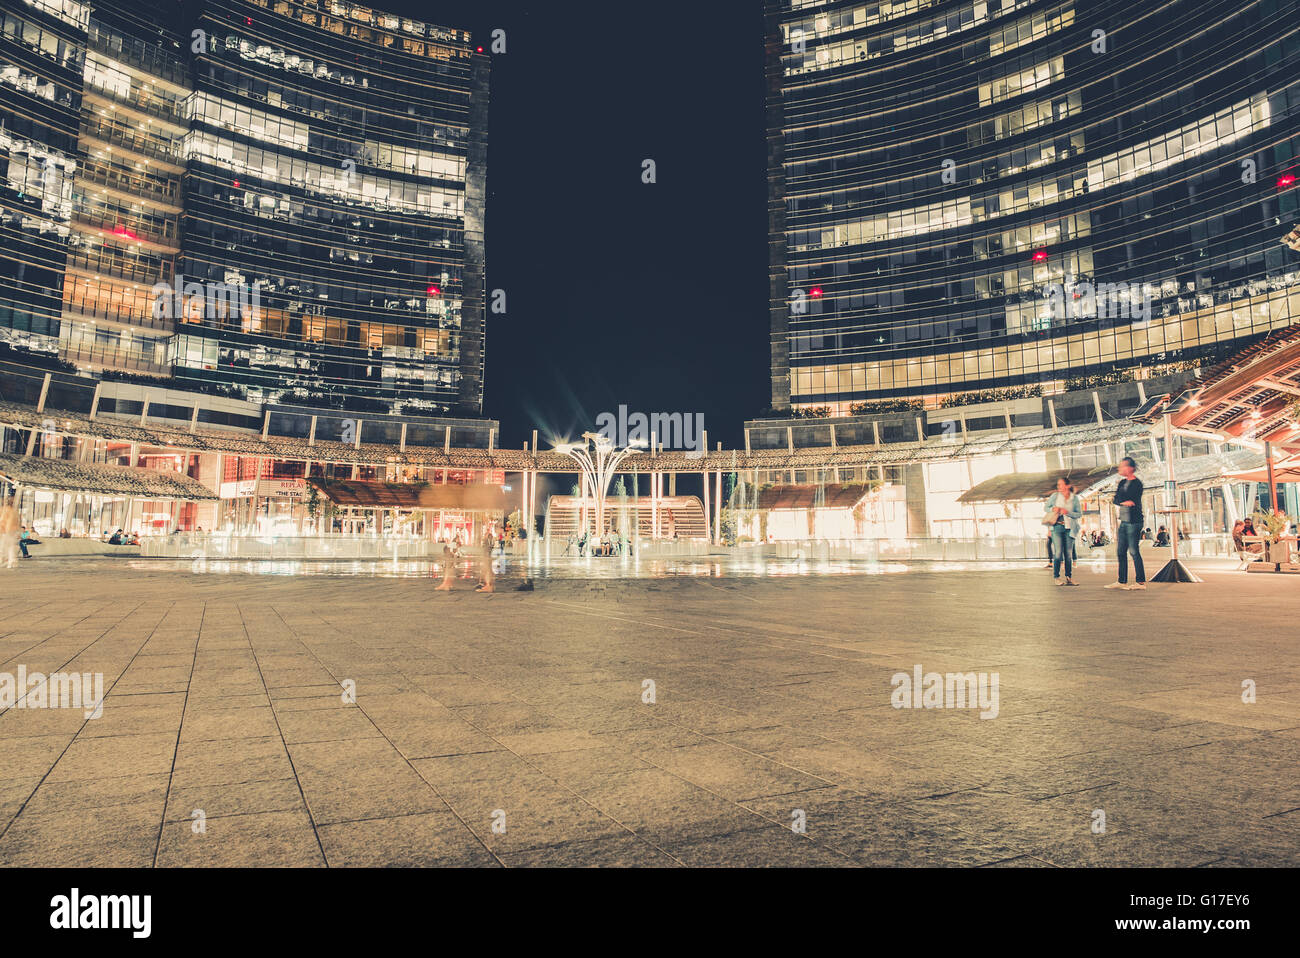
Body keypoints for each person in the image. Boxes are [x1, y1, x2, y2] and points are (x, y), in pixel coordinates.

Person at [1106, 457, 1147, 590]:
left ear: (1130, 468)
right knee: (1120, 551)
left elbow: (1132, 500)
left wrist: (1123, 500)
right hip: (1123, 520)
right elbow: (1116, 499)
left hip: (1134, 521)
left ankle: (1141, 582)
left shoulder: (1137, 484)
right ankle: (1121, 580)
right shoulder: (1122, 482)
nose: (1119, 468)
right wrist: (1124, 501)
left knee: (1134, 551)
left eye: (1122, 466)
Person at [1044, 477, 1082, 586]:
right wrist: (1053, 509)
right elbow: (1046, 508)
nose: (1059, 486)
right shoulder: (1055, 496)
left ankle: (1069, 577)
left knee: (1068, 554)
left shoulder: (1074, 499)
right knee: (1058, 553)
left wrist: (1068, 512)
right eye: (1058, 485)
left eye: (1061, 484)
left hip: (1070, 528)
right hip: (1057, 527)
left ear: (1067, 486)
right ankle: (1056, 577)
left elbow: (1078, 514)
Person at [0, 500, 20, 569]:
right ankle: (11, 562)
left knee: (4, 547)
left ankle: (6, 561)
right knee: (10, 547)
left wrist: (3, 529)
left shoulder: (5, 510)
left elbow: (3, 521)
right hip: (12, 531)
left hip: (7, 531)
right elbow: (17, 522)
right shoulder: (14, 512)